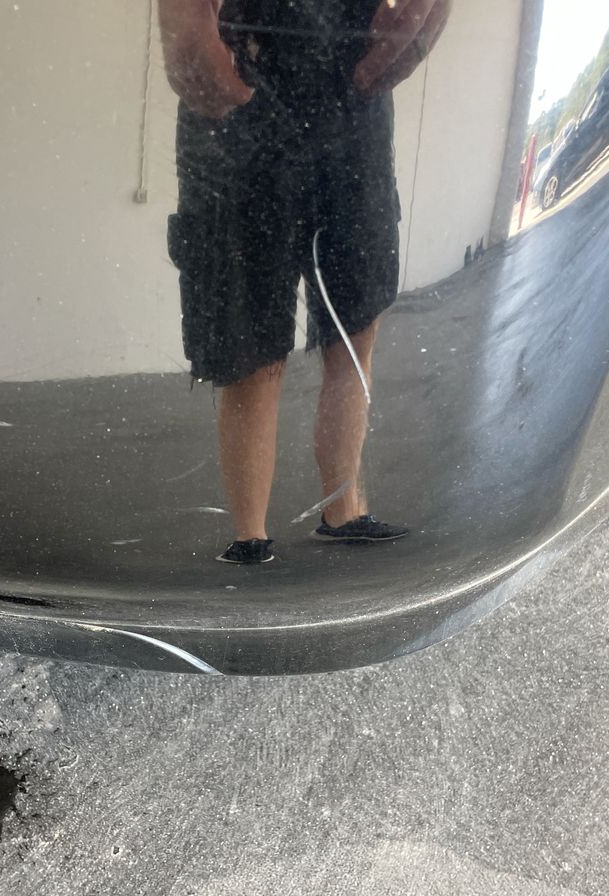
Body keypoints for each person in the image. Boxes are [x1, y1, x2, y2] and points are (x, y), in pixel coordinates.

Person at [160, 0, 450, 564]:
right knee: (248, 343)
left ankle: (343, 510)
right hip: (247, 67)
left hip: (352, 82)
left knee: (355, 325)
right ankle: (250, 534)